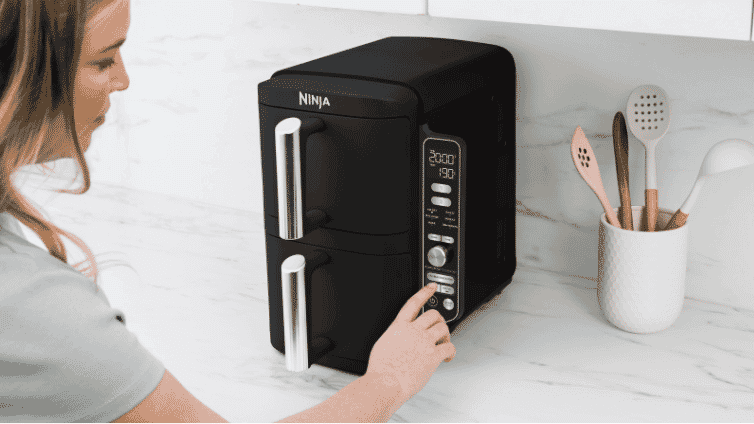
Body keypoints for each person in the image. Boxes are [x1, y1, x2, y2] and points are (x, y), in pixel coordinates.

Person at [0, 0, 457, 422]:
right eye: (103, 60)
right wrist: (388, 382)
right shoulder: (39, 306)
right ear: (20, 77)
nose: (123, 79)